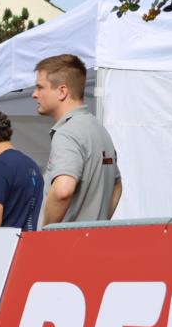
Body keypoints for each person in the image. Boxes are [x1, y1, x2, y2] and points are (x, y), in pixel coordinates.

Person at [33, 54, 122, 225]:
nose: (34, 94)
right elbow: (117, 186)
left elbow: (62, 190)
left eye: (39, 87)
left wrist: (44, 235)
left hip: (64, 246)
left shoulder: (67, 133)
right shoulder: (98, 129)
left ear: (62, 91)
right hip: (91, 243)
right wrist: (97, 224)